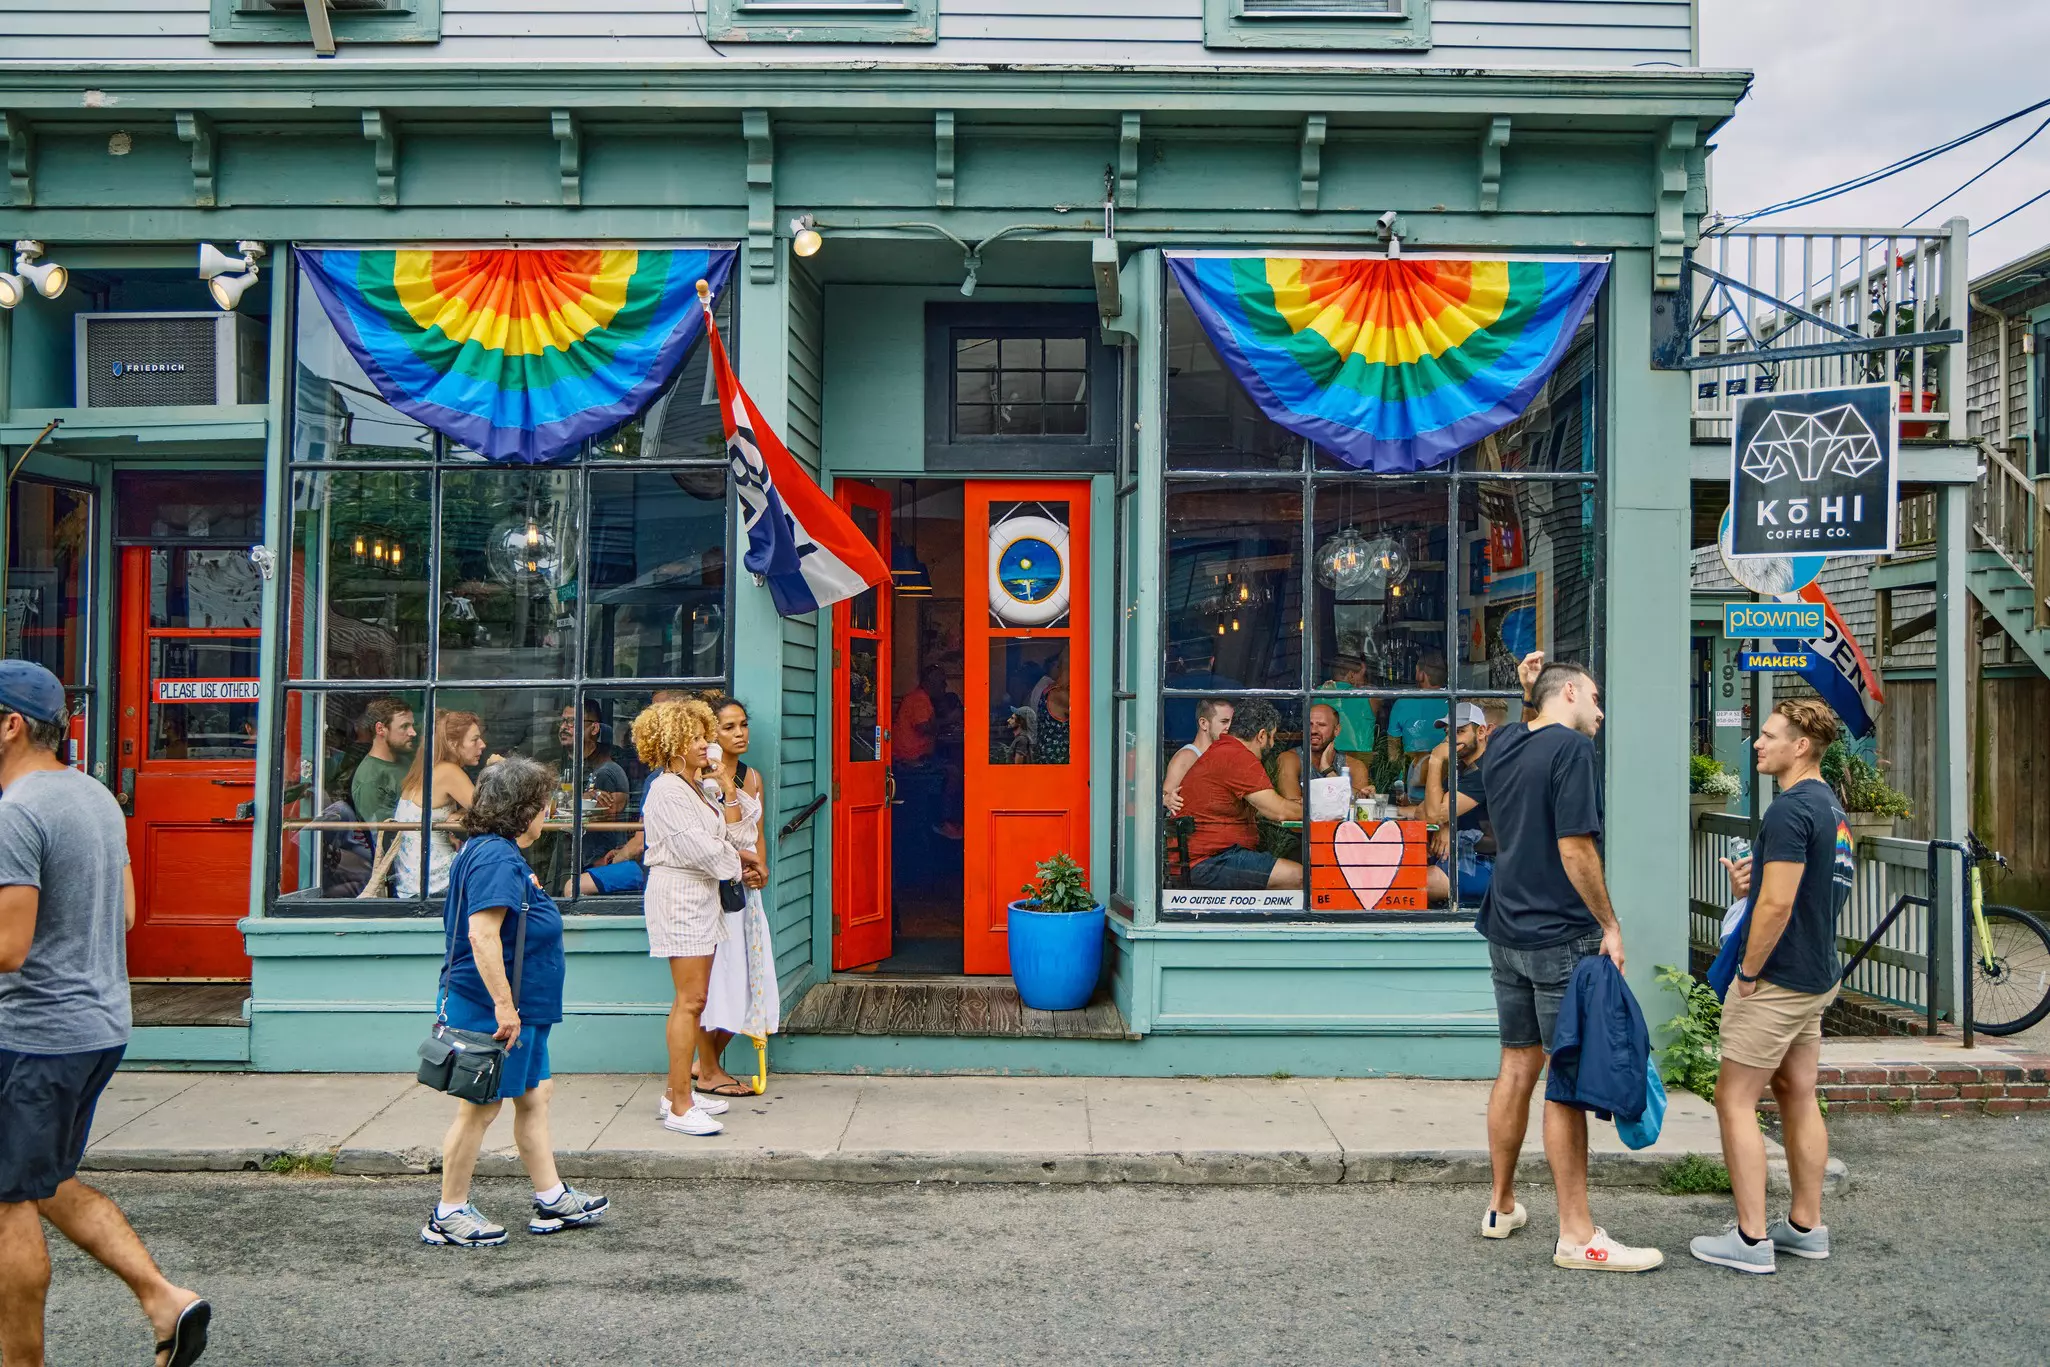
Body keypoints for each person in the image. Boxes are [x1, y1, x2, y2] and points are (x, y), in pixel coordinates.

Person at [0, 660, 213, 1367]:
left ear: (11, 725)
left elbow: (8, 946)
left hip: (32, 1035)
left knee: (8, 1202)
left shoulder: (17, 809)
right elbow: (122, 912)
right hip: (98, 1025)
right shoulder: (93, 796)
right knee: (46, 1180)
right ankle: (165, 1298)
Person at [1474, 653, 1661, 1273]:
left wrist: (1530, 691)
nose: (1601, 713)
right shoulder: (1572, 754)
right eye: (1597, 699)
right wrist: (1610, 924)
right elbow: (1576, 847)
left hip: (1504, 928)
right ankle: (1578, 1236)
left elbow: (1524, 725)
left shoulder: (1501, 745)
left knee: (1515, 1064)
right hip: (1559, 934)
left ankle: (1502, 1206)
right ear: (1573, 691)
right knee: (1566, 1079)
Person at [1690, 698, 1852, 1275]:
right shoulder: (1830, 809)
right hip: (1816, 973)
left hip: (1778, 978)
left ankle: (1751, 1240)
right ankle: (1805, 1228)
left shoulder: (1788, 810)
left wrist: (1750, 971)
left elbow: (1781, 903)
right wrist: (1750, 889)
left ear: (1800, 745)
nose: (1757, 743)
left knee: (1733, 1098)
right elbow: (1807, 892)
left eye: (1768, 735)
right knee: (1796, 1091)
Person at [422, 756, 609, 1248]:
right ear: (523, 810)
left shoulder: (495, 852)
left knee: (534, 1095)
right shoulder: (496, 859)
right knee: (479, 1110)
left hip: (523, 1008)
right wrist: (506, 1009)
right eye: (543, 805)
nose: (547, 814)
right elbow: (482, 936)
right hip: (495, 1010)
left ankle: (551, 1199)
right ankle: (448, 1213)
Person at [635, 698, 760, 1137]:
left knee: (697, 999)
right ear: (672, 745)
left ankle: (675, 1094)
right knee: (689, 1002)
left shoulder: (698, 786)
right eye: (696, 737)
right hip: (680, 897)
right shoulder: (666, 791)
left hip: (702, 896)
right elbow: (703, 852)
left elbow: (742, 830)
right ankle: (680, 1104)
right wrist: (741, 861)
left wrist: (726, 788)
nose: (705, 743)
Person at [696, 697, 776, 1100]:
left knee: (750, 977)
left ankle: (706, 1063)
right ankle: (707, 1067)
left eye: (743, 724)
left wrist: (760, 866)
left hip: (746, 887)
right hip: (716, 889)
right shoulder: (703, 780)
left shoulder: (753, 777)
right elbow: (720, 838)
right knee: (718, 978)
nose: (739, 733)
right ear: (711, 735)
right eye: (728, 727)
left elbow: (756, 833)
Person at [570, 690, 694, 898]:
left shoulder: (659, 778)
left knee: (573, 887)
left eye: (658, 711)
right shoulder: (677, 772)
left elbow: (640, 843)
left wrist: (615, 860)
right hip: (670, 867)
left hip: (654, 869)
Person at [1178, 699, 1303, 890]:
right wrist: (1318, 810)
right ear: (1262, 735)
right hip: (1210, 861)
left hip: (1208, 857)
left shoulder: (1224, 750)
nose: (1273, 743)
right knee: (1299, 876)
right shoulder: (1237, 757)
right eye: (1273, 737)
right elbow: (1279, 811)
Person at [393, 711, 486, 901]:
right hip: (435, 882)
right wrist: (496, 769)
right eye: (475, 739)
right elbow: (493, 812)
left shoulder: (424, 770)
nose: (482, 745)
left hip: (412, 881)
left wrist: (462, 811)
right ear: (452, 744)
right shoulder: (448, 771)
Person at [1422, 702, 1497, 905]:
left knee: (1416, 885)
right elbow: (1424, 811)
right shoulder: (1463, 769)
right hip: (1463, 856)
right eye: (1448, 732)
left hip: (1490, 865)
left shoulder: (1485, 770)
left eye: (1460, 732)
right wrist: (1446, 823)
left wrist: (1436, 760)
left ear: (1481, 732)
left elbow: (1433, 814)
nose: (1450, 739)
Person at [557, 700, 630, 871]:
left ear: (595, 728)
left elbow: (608, 816)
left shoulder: (608, 770)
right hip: (564, 859)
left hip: (599, 863)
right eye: (563, 721)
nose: (564, 727)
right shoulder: (558, 764)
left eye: (573, 722)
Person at [1275, 703, 1373, 805]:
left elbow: (1360, 807)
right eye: (1309, 724)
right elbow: (1292, 806)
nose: (1313, 730)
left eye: (1321, 725)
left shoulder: (1355, 766)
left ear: (1337, 730)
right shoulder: (1289, 759)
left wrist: (1328, 770)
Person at [349, 698, 416, 825]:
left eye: (412, 725)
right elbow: (383, 836)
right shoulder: (369, 780)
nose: (413, 732)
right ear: (380, 729)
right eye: (404, 726)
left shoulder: (404, 759)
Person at [1163, 699, 1233, 816]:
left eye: (1231, 722)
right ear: (1203, 723)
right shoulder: (1187, 756)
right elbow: (1166, 794)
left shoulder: (1223, 754)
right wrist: (1166, 798)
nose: (1229, 727)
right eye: (1224, 721)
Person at [893, 666, 947, 766]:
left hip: (917, 753)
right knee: (953, 771)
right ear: (930, 683)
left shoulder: (922, 698)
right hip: (911, 756)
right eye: (942, 682)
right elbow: (923, 728)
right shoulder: (919, 699)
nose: (945, 686)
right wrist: (948, 720)